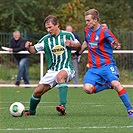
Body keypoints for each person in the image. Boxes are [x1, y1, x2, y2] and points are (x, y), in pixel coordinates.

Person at [75, 8, 133, 118]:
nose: (86, 23)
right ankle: (107, 85)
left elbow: (116, 43)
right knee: (87, 89)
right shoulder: (87, 30)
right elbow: (86, 42)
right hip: (93, 68)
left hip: (107, 65)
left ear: (95, 20)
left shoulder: (104, 31)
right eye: (86, 21)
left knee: (116, 84)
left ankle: (130, 110)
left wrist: (116, 45)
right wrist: (78, 53)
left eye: (88, 20)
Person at [23, 15, 81, 116]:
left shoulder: (67, 35)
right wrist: (28, 47)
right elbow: (33, 50)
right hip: (52, 71)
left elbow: (79, 46)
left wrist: (72, 44)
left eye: (50, 27)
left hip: (66, 68)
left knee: (60, 76)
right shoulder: (46, 39)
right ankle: (31, 111)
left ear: (57, 25)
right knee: (37, 92)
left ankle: (62, 106)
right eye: (47, 28)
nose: (48, 30)